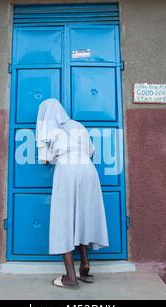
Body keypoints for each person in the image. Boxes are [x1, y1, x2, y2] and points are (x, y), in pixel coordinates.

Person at [36, 98, 109, 290]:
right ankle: (85, 265)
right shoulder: (78, 125)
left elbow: (45, 159)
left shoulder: (48, 129)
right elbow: (90, 150)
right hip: (87, 168)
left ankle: (70, 278)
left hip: (67, 169)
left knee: (64, 219)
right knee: (83, 214)